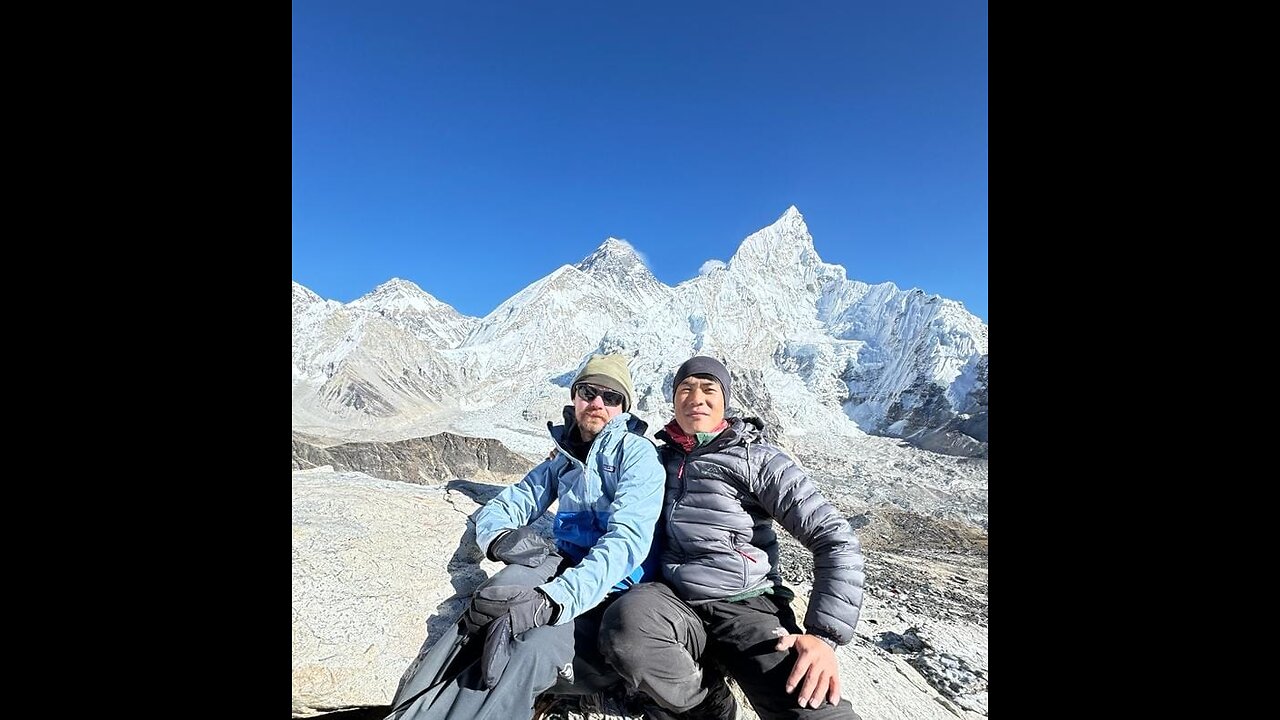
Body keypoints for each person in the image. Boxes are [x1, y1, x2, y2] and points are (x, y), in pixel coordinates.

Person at [386, 354, 665, 720]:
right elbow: (513, 501)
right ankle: (412, 713)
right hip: (568, 566)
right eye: (588, 391)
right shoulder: (565, 457)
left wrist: (553, 599)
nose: (597, 403)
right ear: (574, 397)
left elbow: (626, 543)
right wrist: (498, 538)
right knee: (492, 600)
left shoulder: (636, 454)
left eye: (610, 397)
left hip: (615, 589)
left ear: (622, 407)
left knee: (533, 645)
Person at [598, 355, 866, 720]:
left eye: (709, 389)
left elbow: (834, 538)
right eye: (686, 389)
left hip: (746, 606)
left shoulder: (757, 459)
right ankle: (710, 707)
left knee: (809, 707)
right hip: (674, 600)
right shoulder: (657, 460)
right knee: (626, 626)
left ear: (725, 401)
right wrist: (569, 455)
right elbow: (602, 477)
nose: (697, 398)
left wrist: (823, 637)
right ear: (674, 400)